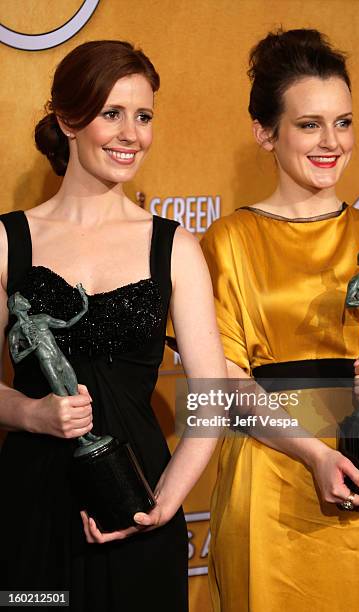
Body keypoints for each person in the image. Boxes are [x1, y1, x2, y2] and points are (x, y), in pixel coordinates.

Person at [201, 29, 359, 612]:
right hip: (273, 478)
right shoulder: (231, 240)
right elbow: (226, 384)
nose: (332, 142)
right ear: (265, 133)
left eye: (343, 122)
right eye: (309, 125)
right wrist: (315, 455)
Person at [0, 40, 227, 611]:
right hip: (31, 513)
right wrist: (32, 413)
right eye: (112, 113)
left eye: (143, 116)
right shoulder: (8, 242)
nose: (132, 134)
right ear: (67, 118)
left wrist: (162, 505)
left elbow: (213, 396)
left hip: (141, 504)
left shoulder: (174, 247)